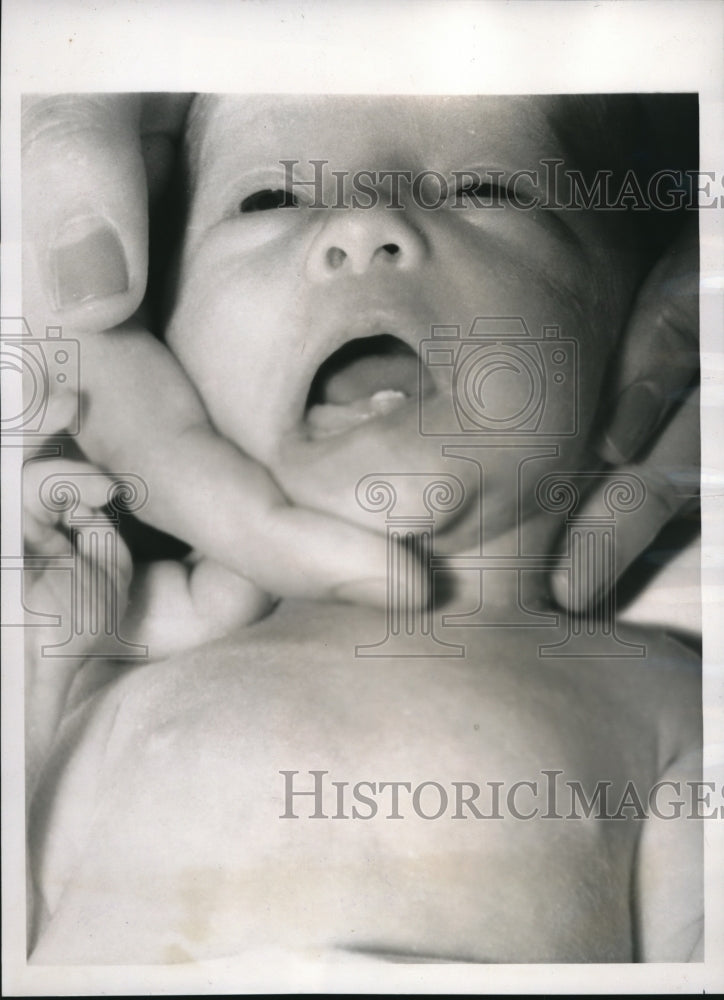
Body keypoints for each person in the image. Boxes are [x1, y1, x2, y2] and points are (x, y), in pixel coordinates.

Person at [25, 93, 701, 963]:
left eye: (487, 189)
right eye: (270, 200)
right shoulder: (101, 674)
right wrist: (35, 667)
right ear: (161, 353)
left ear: (641, 344)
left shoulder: (668, 701)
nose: (363, 219)